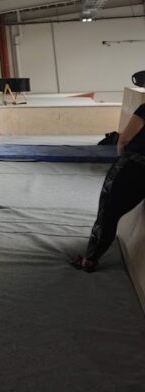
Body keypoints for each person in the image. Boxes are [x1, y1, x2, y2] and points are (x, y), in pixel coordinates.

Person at [72, 93, 145, 272]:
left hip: (134, 166)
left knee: (108, 213)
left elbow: (124, 140)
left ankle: (90, 259)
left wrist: (123, 158)